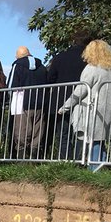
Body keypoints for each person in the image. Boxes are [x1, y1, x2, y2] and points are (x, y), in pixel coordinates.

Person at [57, 39, 111, 170]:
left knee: (92, 141)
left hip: (92, 109)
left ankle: (95, 171)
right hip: (107, 109)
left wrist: (66, 106)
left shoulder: (92, 68)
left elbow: (81, 90)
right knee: (100, 141)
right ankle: (101, 168)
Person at [46, 28, 93, 159]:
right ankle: (79, 160)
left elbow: (50, 78)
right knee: (80, 132)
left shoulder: (60, 57)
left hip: (60, 100)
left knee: (63, 133)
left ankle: (64, 159)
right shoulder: (89, 60)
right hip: (83, 99)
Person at [5, 46, 49, 158]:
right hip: (40, 103)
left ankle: (21, 158)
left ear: (19, 55)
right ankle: (34, 157)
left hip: (22, 104)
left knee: (21, 131)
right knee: (37, 133)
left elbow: (10, 86)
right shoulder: (42, 67)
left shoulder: (17, 66)